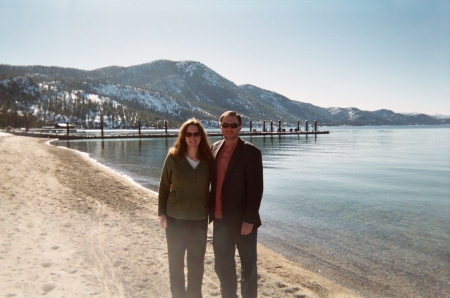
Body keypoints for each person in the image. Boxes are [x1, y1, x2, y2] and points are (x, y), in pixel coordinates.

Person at [210, 111, 264, 298]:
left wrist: (249, 219)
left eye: (233, 125)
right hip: (219, 221)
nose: (229, 129)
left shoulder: (251, 152)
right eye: (226, 125)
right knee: (222, 266)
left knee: (248, 268)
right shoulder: (214, 148)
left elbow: (256, 189)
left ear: (240, 127)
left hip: (243, 223)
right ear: (220, 126)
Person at [158, 118, 213, 298]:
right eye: (188, 134)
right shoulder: (173, 157)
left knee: (196, 263)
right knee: (176, 262)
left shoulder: (208, 159)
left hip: (199, 219)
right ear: (183, 137)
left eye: (196, 134)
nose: (192, 138)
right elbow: (164, 186)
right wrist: (162, 214)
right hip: (175, 218)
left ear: (201, 136)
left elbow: (218, 186)